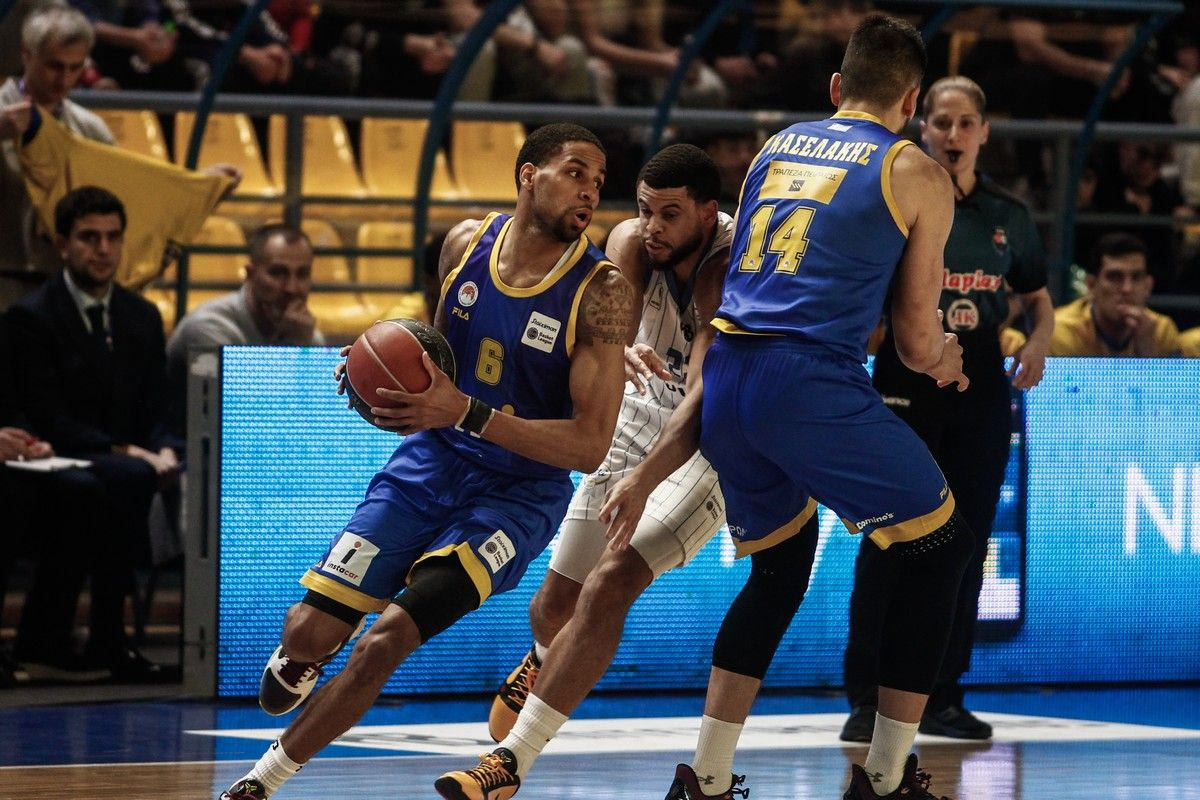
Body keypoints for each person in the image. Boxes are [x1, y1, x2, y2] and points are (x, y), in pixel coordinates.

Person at [219, 123, 634, 800]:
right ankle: (305, 653)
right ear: (528, 175)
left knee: (385, 642)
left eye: (598, 180)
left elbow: (590, 446)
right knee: (309, 631)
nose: (590, 190)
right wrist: (373, 373)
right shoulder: (464, 244)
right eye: (575, 172)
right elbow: (434, 356)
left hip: (517, 497)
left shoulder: (602, 290)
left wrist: (464, 411)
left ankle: (260, 782)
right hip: (432, 462)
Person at [648, 15, 973, 800]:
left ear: (836, 87)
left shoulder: (777, 145)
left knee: (781, 569)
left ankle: (707, 778)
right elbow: (913, 339)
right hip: (806, 381)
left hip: (729, 374)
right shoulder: (916, 171)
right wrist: (945, 359)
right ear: (912, 100)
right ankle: (886, 778)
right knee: (943, 547)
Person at [436, 143, 774, 797]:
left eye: (670, 215)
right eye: (645, 210)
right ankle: (543, 660)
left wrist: (643, 480)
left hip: (715, 435)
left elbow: (702, 400)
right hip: (641, 414)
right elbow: (603, 327)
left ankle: (510, 763)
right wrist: (613, 351)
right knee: (552, 608)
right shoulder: (629, 244)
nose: (653, 227)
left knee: (611, 582)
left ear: (708, 214)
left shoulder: (726, 269)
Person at [840, 75, 1055, 744]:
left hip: (980, 373)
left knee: (966, 538)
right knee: (891, 533)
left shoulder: (1007, 215)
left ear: (984, 133)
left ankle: (942, 692)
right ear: (921, 127)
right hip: (908, 367)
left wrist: (1038, 344)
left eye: (965, 124)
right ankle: (868, 697)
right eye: (941, 122)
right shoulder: (897, 199)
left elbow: (1038, 298)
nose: (953, 135)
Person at [4, 186, 178, 681]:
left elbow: (156, 404)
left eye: (112, 237)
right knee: (117, 480)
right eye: (89, 238)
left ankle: (99, 640)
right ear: (62, 244)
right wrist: (126, 450)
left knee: (133, 477)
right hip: (57, 455)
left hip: (123, 458)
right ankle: (97, 639)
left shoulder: (141, 316)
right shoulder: (31, 317)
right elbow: (45, 414)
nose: (103, 249)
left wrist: (164, 447)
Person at [0, 4, 114, 307]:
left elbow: (117, 197)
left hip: (63, 286)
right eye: (54, 66)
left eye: (75, 68)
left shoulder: (91, 129)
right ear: (26, 55)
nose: (64, 79)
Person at [166, 223, 324, 436]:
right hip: (188, 449)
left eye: (302, 274)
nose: (291, 288)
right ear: (250, 274)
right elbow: (246, 415)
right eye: (278, 273)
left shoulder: (307, 335)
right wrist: (294, 350)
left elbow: (308, 419)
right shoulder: (208, 326)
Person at [1050, 232, 1182, 357]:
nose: (1127, 289)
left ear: (1148, 286)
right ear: (1091, 285)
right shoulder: (1058, 330)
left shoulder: (1162, 331)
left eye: (1136, 277)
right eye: (1115, 277)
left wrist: (1148, 354)